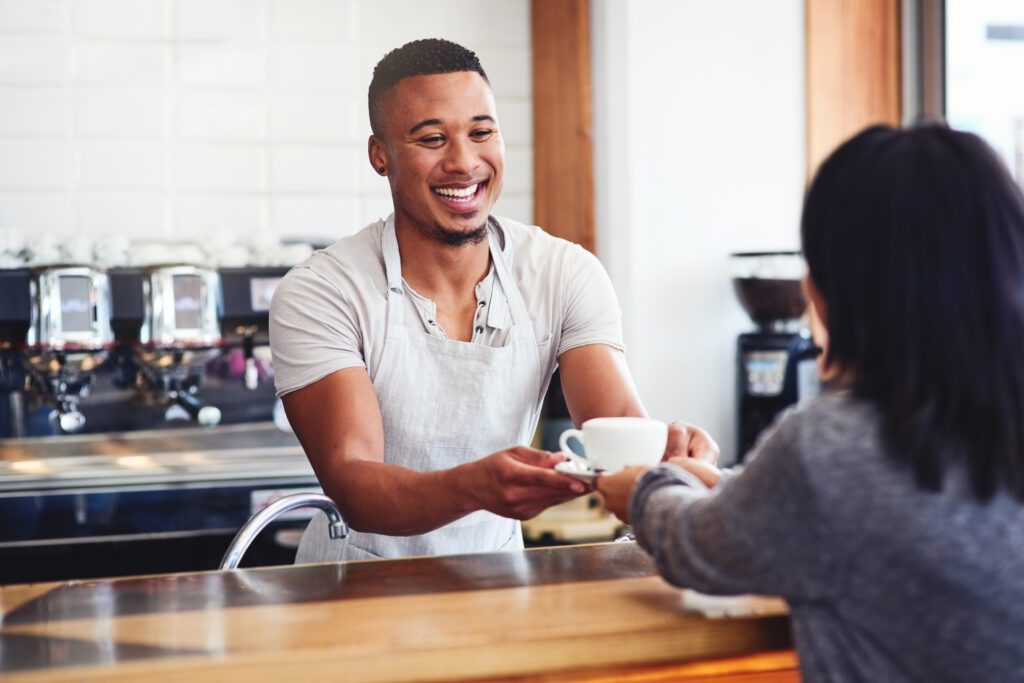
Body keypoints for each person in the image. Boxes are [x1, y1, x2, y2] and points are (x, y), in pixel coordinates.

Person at [599, 123, 1024, 681]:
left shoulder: (830, 447)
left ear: (832, 288)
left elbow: (695, 546)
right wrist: (720, 484)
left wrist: (644, 490)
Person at [270, 38, 716, 563]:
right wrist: (473, 488)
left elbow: (614, 428)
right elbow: (355, 484)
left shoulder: (562, 272)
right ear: (380, 156)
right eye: (432, 139)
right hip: (353, 589)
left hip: (497, 579)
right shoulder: (323, 290)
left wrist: (668, 460)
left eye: (481, 133)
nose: (464, 162)